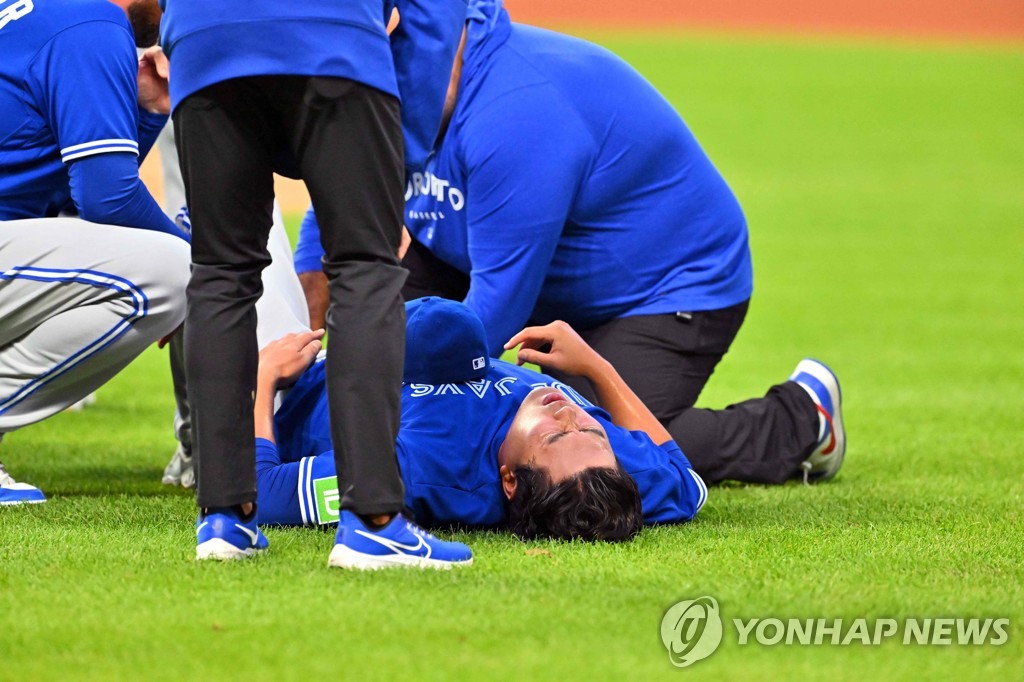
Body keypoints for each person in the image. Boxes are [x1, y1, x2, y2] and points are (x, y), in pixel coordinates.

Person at [294, 0, 845, 488]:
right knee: (381, 334)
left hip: (663, 289)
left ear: (444, 42)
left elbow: (482, 330)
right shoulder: (394, 84)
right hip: (493, 256)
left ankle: (802, 418)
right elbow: (340, 198)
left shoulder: (514, 114)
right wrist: (303, 352)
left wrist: (377, 421)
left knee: (601, 447)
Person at [158, 0, 474, 566]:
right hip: (333, 41)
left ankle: (223, 520)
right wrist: (405, 151)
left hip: (205, 43)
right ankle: (374, 520)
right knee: (365, 269)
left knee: (219, 273)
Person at [253, 298, 707, 545]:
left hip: (289, 382)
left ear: (509, 480)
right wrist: (595, 367)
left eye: (553, 435)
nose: (568, 413)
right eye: (591, 429)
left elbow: (261, 491)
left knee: (231, 242)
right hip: (390, 338)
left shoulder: (426, 469)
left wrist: (264, 380)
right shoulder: (606, 471)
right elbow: (685, 478)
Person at [0, 0, 190, 505]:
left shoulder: (36, 16)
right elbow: (107, 198)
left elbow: (69, 202)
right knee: (172, 273)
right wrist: (204, 264)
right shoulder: (92, 23)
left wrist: (148, 109)